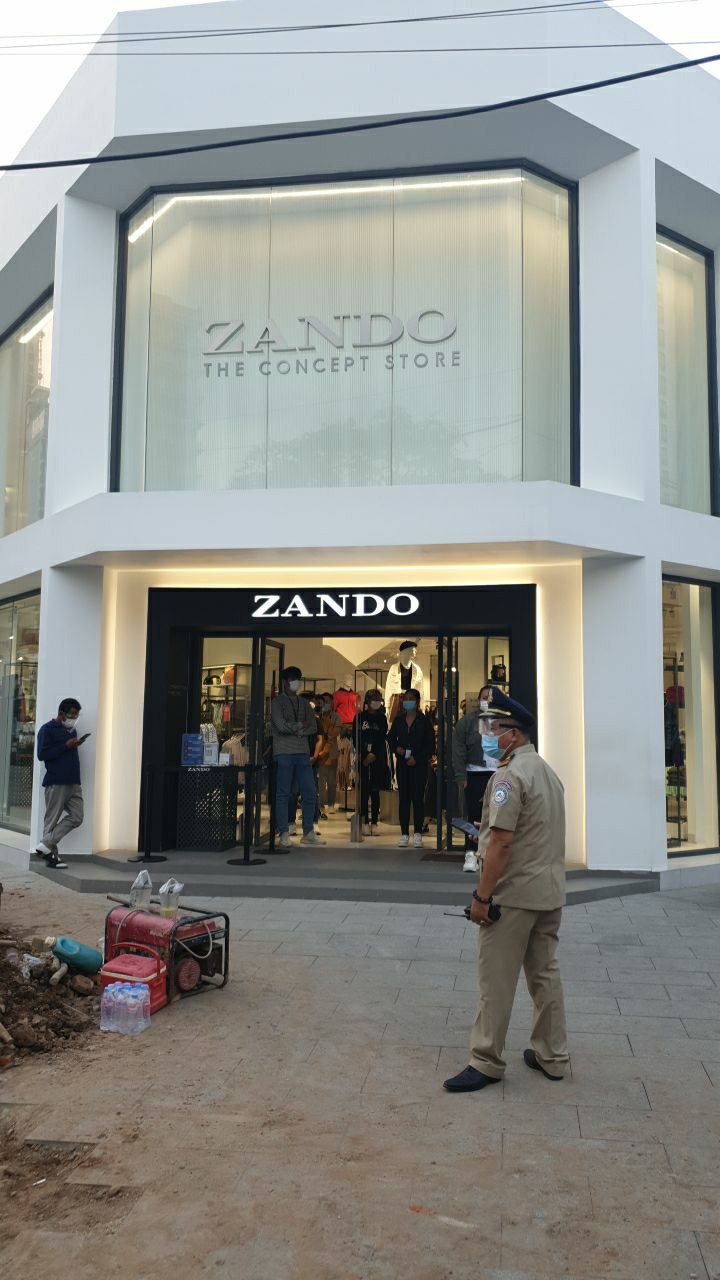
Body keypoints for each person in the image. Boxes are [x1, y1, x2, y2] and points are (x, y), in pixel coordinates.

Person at [443, 690, 569, 1093]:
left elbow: (501, 843)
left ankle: (486, 1060)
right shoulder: (546, 771)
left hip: (512, 896)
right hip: (547, 892)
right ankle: (552, 1055)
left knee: (495, 981)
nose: (486, 735)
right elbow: (528, 828)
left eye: (492, 728)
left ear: (512, 734)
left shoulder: (508, 776)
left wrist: (482, 898)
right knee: (544, 975)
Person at [271, 667, 326, 849]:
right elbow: (280, 726)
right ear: (285, 681)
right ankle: (283, 832)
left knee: (310, 791)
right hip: (284, 752)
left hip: (303, 753)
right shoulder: (277, 702)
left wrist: (294, 728)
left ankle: (308, 832)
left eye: (297, 679)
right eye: (292, 679)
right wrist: (301, 726)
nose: (295, 682)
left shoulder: (304, 703)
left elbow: (313, 727)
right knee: (284, 793)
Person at [35, 698, 90, 870]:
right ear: (61, 714)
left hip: (73, 782)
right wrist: (66, 746)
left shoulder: (72, 731)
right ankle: (52, 858)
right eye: (71, 715)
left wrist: (73, 744)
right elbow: (42, 755)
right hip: (56, 782)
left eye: (76, 715)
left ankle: (45, 845)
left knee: (77, 817)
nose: (74, 718)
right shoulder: (47, 730)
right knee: (51, 821)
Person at [453, 685, 499, 873]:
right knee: (474, 814)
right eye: (484, 697)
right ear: (479, 699)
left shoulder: (504, 721)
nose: (487, 700)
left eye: (491, 697)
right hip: (475, 773)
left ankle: (492, 853)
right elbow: (458, 750)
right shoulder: (468, 722)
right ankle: (471, 852)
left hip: (498, 773)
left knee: (498, 815)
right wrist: (460, 775)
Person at [387, 687, 435, 848]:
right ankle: (404, 833)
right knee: (404, 799)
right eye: (405, 699)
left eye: (410, 699)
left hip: (419, 766)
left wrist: (418, 758)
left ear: (417, 701)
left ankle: (418, 833)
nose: (407, 702)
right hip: (402, 765)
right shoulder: (399, 720)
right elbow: (390, 738)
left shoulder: (424, 721)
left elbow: (430, 745)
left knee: (418, 798)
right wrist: (397, 749)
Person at [352, 689, 390, 835]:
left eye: (378, 699)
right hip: (363, 758)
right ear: (367, 701)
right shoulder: (359, 717)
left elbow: (382, 737)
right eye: (374, 699)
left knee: (375, 791)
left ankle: (374, 822)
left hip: (377, 757)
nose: (376, 702)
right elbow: (355, 737)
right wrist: (363, 754)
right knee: (363, 791)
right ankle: (364, 822)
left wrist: (373, 753)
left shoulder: (382, 718)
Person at [317, 691, 342, 816]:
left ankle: (331, 804)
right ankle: (321, 805)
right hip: (320, 752)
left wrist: (327, 730)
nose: (325, 703)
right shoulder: (317, 716)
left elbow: (334, 733)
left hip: (332, 753)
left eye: (328, 701)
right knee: (321, 782)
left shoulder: (336, 717)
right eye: (323, 701)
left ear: (332, 702)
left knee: (332, 781)